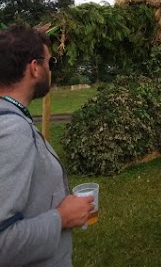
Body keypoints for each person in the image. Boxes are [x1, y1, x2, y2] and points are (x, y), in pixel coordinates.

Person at [0, 24, 94, 267]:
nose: (51, 71)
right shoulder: (12, 131)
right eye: (50, 64)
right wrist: (61, 218)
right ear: (34, 68)